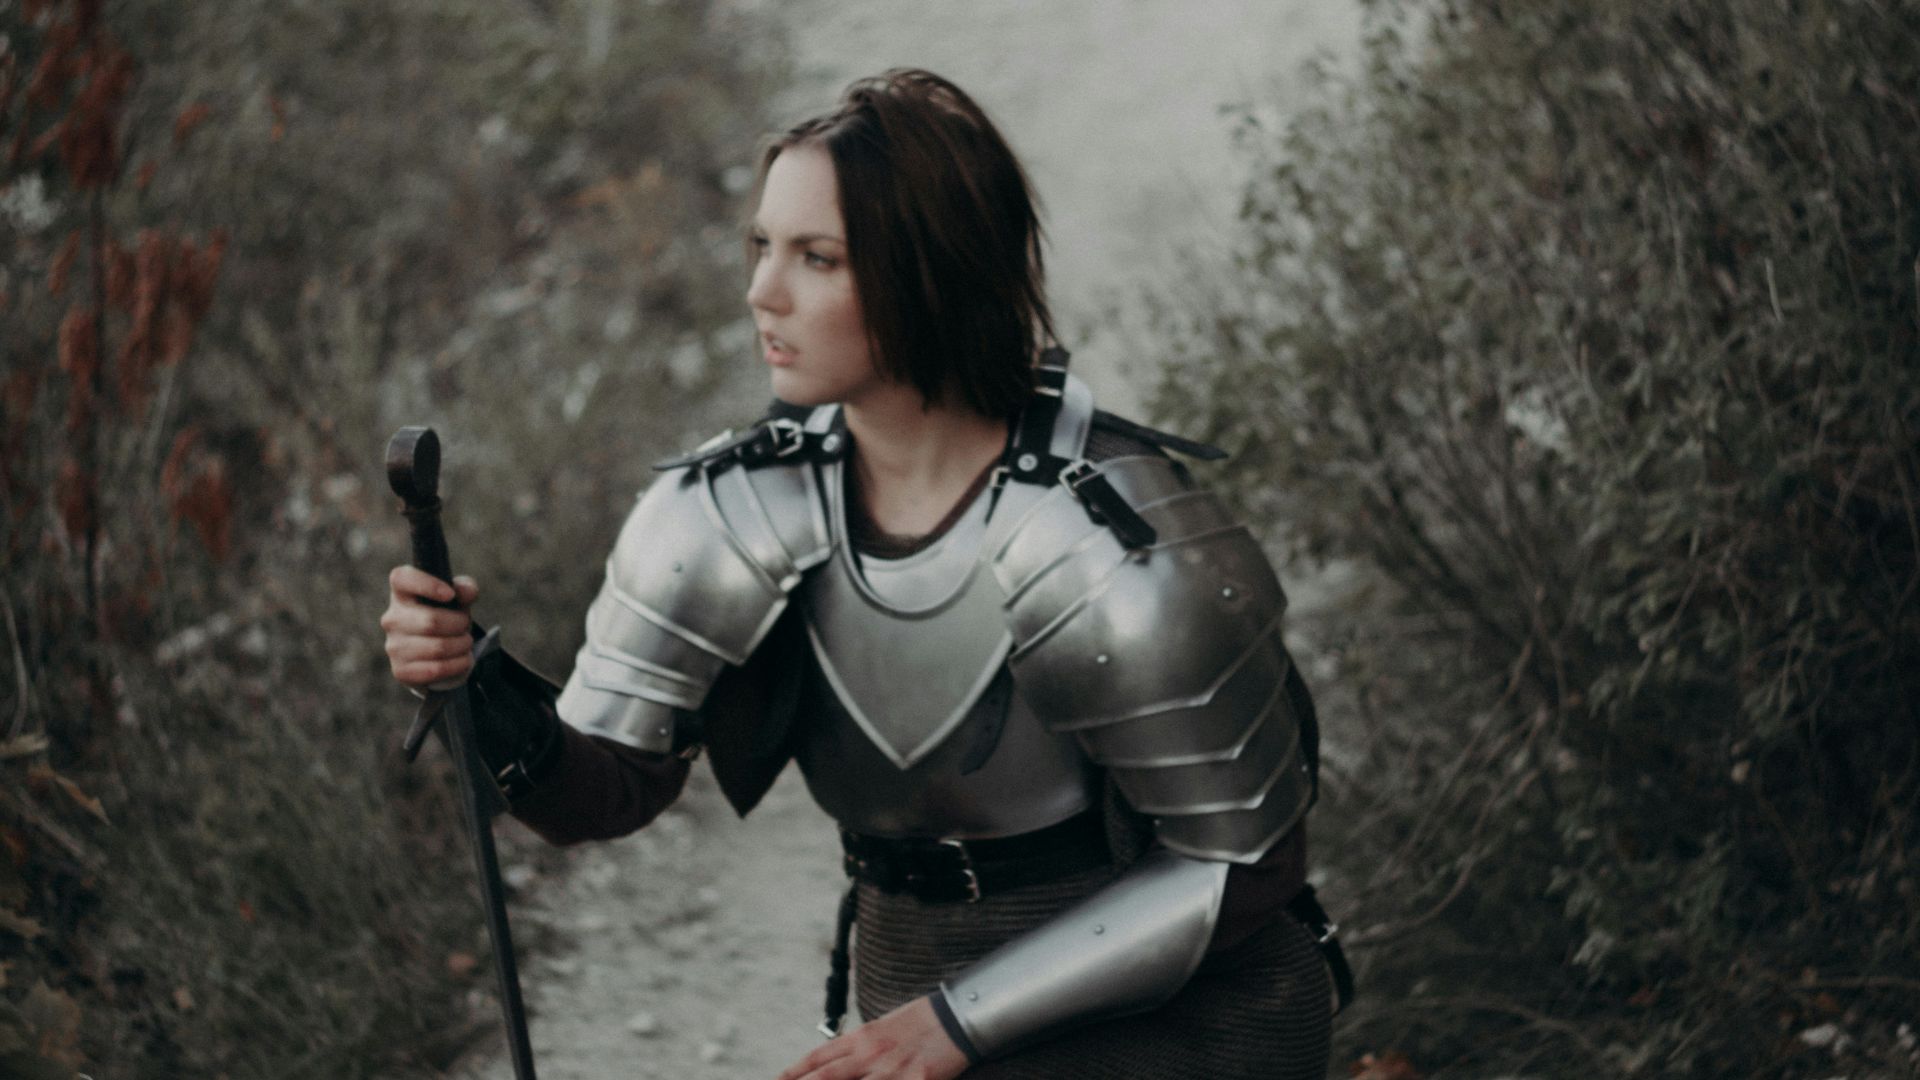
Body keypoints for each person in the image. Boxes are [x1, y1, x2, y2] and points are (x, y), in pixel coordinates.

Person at [380, 68, 1344, 1080]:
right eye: (761, 247)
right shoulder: (730, 512)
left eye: (818, 258)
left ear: (931, 274)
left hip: (1180, 1025)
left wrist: (958, 1023)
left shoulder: (1111, 539)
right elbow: (602, 793)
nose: (763, 290)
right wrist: (475, 686)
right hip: (915, 1014)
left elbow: (1245, 865)